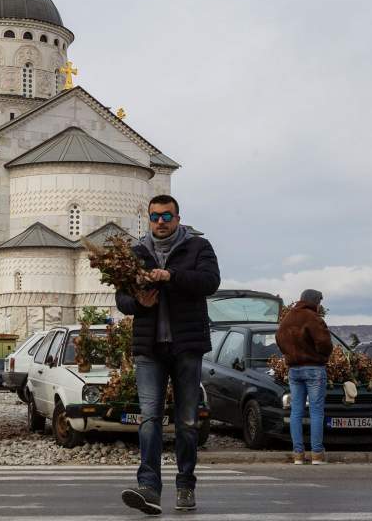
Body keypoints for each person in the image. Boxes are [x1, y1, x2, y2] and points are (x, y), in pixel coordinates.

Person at [116, 194, 220, 514]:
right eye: (154, 217)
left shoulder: (198, 247)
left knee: (187, 421)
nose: (160, 222)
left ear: (177, 218)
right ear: (148, 219)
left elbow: (210, 282)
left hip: (187, 346)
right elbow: (122, 298)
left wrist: (171, 276)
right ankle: (148, 487)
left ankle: (186, 484)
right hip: (149, 348)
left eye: (166, 217)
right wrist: (138, 304)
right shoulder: (136, 253)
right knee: (149, 419)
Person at [275, 289, 333, 465]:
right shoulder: (313, 318)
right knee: (316, 411)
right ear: (314, 301)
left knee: (296, 412)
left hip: (294, 369)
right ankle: (316, 454)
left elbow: (279, 337)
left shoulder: (288, 318)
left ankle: (298, 454)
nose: (320, 305)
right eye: (319, 302)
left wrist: (289, 355)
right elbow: (324, 343)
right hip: (314, 368)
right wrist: (322, 357)